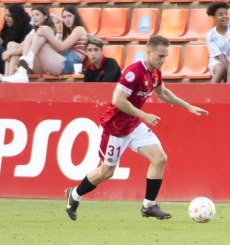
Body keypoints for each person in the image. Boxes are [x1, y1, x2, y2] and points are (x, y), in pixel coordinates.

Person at [65, 35, 209, 221]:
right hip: (115, 128)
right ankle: (74, 194)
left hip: (133, 125)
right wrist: (144, 115)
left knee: (159, 158)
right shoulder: (133, 72)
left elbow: (162, 92)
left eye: (165, 56)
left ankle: (148, 205)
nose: (163, 60)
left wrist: (188, 106)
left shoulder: (155, 72)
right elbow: (118, 100)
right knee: (107, 171)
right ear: (148, 52)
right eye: (160, 56)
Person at [2, 6, 88, 83]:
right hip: (58, 62)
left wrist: (48, 34)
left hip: (68, 64)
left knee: (39, 34)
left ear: (76, 17)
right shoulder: (67, 33)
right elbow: (57, 49)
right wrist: (56, 32)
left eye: (70, 16)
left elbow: (61, 48)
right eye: (64, 17)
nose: (67, 19)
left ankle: (23, 69)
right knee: (27, 39)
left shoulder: (79, 29)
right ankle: (15, 74)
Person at [206, 2, 230, 83]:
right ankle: (208, 93)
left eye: (226, 14)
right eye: (220, 14)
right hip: (218, 62)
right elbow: (220, 57)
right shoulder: (210, 35)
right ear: (214, 17)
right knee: (221, 69)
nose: (225, 16)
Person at [0, 4, 32, 75]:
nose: (6, 18)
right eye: (6, 15)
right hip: (5, 60)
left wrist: (2, 43)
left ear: (17, 16)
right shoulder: (7, 28)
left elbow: (25, 49)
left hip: (18, 62)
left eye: (9, 16)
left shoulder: (27, 28)